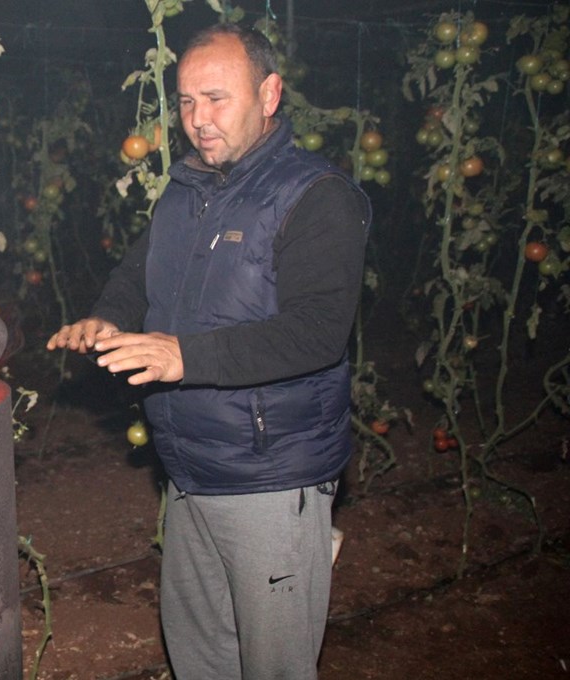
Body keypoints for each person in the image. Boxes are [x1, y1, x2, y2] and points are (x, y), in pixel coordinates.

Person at [46, 23, 370, 680]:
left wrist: (184, 358)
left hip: (272, 479)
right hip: (190, 474)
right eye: (187, 102)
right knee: (201, 657)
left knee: (274, 666)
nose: (198, 119)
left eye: (216, 98)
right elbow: (139, 274)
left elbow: (317, 332)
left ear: (270, 93)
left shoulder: (316, 197)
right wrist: (105, 319)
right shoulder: (189, 189)